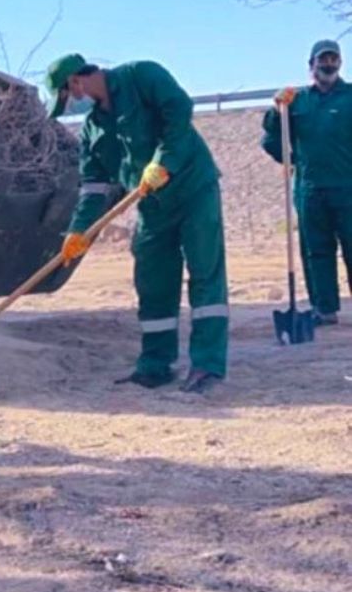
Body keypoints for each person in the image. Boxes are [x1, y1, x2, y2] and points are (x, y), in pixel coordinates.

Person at [46, 54, 229, 394]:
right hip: (152, 205)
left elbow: (180, 111)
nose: (72, 103)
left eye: (68, 96)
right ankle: (156, 365)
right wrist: (78, 230)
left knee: (205, 272)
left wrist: (163, 161)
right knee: (152, 278)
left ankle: (207, 365)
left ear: (75, 81)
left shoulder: (141, 76)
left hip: (193, 189)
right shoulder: (92, 129)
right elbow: (94, 186)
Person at [261, 39, 352, 326]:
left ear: (340, 63)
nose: (328, 64)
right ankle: (324, 309)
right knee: (316, 251)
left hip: (348, 188)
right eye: (322, 59)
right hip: (310, 190)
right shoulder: (297, 101)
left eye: (333, 59)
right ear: (311, 65)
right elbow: (271, 137)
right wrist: (276, 109)